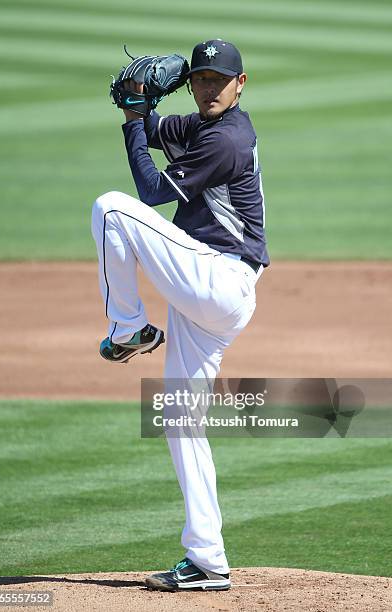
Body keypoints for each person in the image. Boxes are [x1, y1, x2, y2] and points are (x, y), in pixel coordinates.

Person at [91, 39, 269, 591]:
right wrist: (137, 111)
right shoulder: (199, 126)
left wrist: (134, 122)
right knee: (180, 419)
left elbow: (149, 189)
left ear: (241, 84)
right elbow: (155, 133)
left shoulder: (229, 138)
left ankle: (129, 327)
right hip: (206, 290)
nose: (210, 87)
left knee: (112, 208)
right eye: (202, 79)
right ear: (192, 83)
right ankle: (208, 560)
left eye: (220, 79)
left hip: (221, 279)